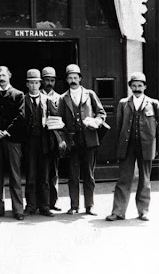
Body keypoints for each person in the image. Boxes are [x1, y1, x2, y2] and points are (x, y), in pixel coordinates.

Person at [106, 72, 158, 222]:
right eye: (134, 86)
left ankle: (143, 211)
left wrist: (156, 145)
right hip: (127, 146)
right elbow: (119, 125)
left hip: (146, 145)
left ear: (145, 86)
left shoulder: (153, 103)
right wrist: (120, 145)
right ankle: (118, 211)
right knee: (124, 178)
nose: (137, 89)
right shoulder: (123, 103)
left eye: (140, 86)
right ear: (130, 87)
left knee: (145, 180)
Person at [57, 64, 107, 215]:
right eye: (70, 78)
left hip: (89, 139)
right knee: (73, 175)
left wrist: (96, 121)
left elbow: (101, 112)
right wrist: (64, 136)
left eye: (75, 77)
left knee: (89, 174)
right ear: (66, 80)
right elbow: (59, 120)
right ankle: (74, 206)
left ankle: (89, 205)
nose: (73, 80)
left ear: (80, 78)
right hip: (73, 141)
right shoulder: (62, 98)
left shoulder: (90, 94)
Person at [0, 66, 26, 220]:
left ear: (9, 75)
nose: (1, 77)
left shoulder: (18, 94)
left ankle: (18, 210)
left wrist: (7, 131)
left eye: (3, 74)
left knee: (15, 175)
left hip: (12, 140)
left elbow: (21, 115)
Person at [23, 69, 54, 217]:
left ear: (40, 84)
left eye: (37, 82)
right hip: (29, 143)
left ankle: (45, 206)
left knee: (45, 176)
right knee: (30, 175)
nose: (34, 85)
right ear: (27, 84)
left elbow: (55, 120)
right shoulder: (22, 100)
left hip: (44, 143)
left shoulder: (47, 100)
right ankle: (30, 205)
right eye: (31, 83)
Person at [41, 66, 62, 211]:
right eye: (47, 80)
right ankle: (40, 203)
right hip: (40, 139)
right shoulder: (37, 95)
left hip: (54, 139)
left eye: (52, 80)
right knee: (40, 172)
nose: (49, 83)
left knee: (53, 172)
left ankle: (52, 202)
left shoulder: (59, 98)